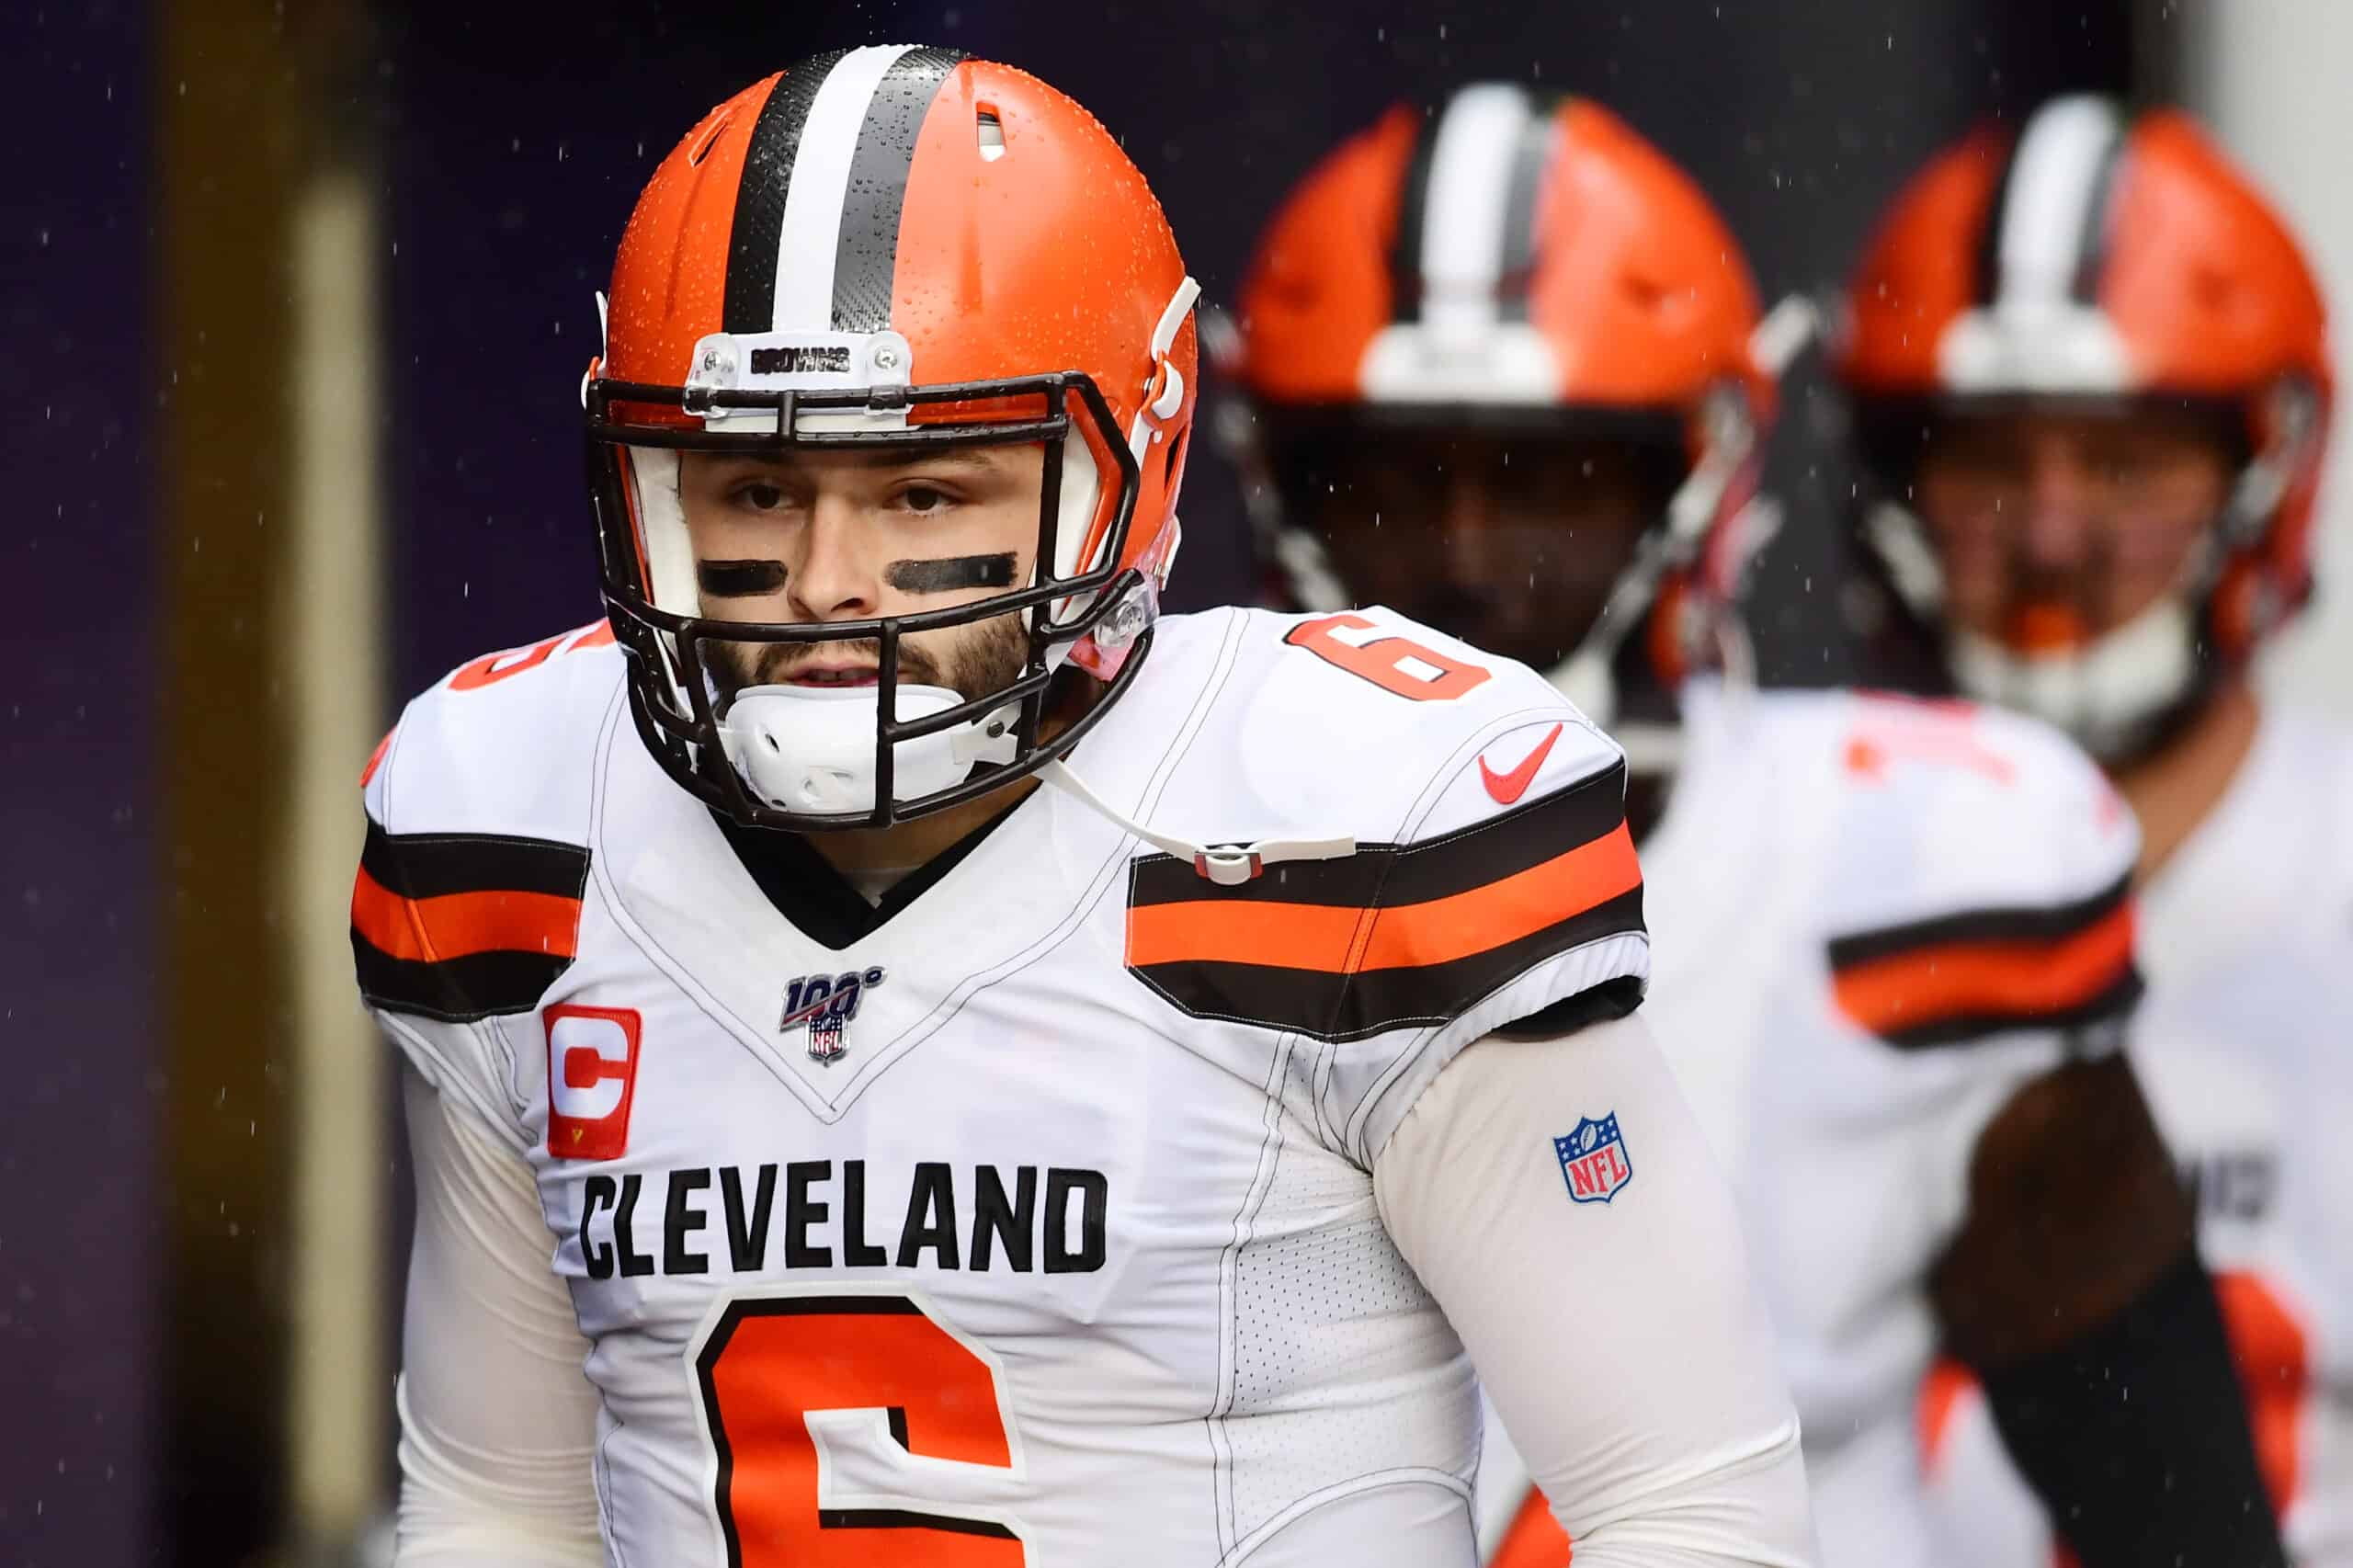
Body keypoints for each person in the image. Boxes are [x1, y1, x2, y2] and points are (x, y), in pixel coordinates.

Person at [353, 48, 1816, 1567]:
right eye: (756, 487)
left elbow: (1690, 1506)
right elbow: (500, 1509)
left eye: (925, 494)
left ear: (1137, 463)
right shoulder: (517, 819)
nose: (827, 580)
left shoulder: (1360, 826)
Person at [1222, 83, 2285, 1568]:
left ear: (1705, 468)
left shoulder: (1916, 868)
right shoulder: (1113, 857)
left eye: (1546, 479)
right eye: (1393, 480)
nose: (1464, 556)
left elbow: (2182, 1527)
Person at [1832, 93, 2353, 1565]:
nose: (2054, 533)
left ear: (2268, 469)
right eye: (1992, 463)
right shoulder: (1779, 864)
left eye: (2123, 465)